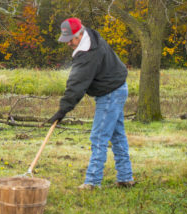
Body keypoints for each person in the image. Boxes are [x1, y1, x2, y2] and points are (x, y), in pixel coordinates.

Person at [46, 17, 134, 190]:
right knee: (117, 135)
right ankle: (125, 177)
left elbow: (76, 85)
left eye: (70, 39)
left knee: (99, 136)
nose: (68, 43)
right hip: (117, 88)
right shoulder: (90, 37)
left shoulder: (88, 53)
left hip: (110, 93)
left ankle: (92, 182)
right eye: (66, 39)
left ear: (79, 34)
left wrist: (62, 110)